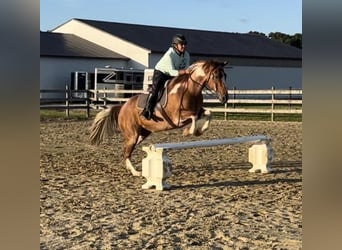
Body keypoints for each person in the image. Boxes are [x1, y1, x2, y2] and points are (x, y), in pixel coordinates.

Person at [142, 34, 191, 120]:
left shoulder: (186, 55)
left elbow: (186, 68)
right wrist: (184, 71)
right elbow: (172, 72)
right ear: (175, 45)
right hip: (161, 73)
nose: (184, 46)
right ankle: (148, 110)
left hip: (175, 74)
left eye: (184, 44)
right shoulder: (170, 54)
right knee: (156, 90)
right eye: (181, 44)